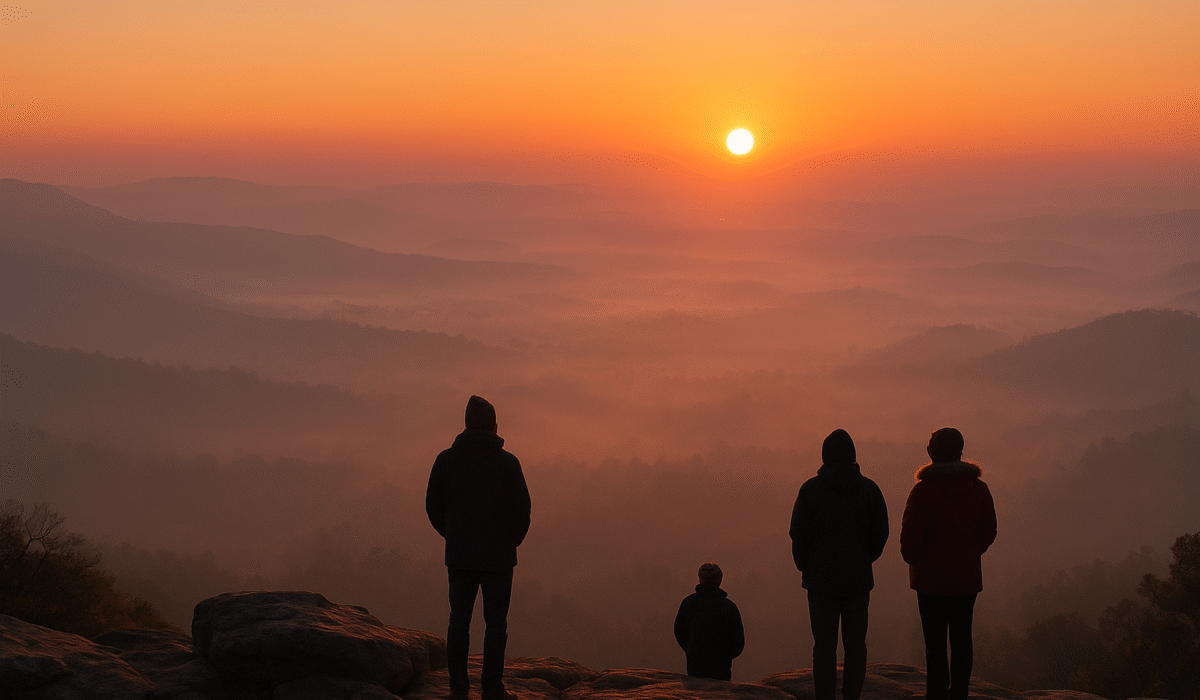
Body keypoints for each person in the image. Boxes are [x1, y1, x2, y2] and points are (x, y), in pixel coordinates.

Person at [427, 396, 532, 700]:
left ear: (467, 424)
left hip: (459, 555)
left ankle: (459, 687)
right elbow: (522, 512)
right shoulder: (508, 463)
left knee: (458, 620)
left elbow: (432, 506)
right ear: (494, 425)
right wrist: (510, 541)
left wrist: (452, 535)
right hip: (499, 558)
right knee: (496, 624)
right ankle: (493, 686)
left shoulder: (445, 460)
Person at [789, 429, 889, 700]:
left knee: (824, 648)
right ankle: (851, 696)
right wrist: (865, 558)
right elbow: (881, 533)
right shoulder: (869, 490)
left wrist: (805, 566)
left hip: (820, 583)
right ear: (853, 456)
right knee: (856, 647)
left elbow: (798, 533)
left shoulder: (810, 490)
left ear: (825, 456)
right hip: (857, 581)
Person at [900, 427, 997, 700]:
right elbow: (988, 531)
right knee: (962, 641)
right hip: (966, 579)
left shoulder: (922, 492)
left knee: (935, 645)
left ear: (931, 453)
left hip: (930, 582)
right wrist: (969, 554)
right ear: (960, 451)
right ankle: (960, 694)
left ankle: (936, 695)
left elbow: (909, 541)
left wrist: (918, 560)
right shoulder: (979, 490)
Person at [673, 562, 746, 681]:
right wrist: (725, 656)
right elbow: (738, 642)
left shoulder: (688, 603)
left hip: (695, 666)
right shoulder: (729, 607)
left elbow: (679, 632)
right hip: (722, 669)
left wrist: (692, 649)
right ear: (719, 580)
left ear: (700, 579)